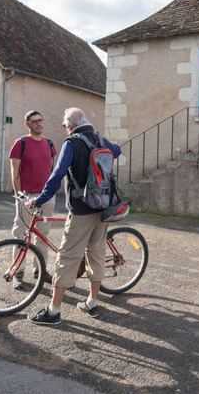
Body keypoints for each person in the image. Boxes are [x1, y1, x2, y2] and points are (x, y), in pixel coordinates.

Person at [25, 107, 121, 326]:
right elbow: (117, 151)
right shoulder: (100, 139)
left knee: (67, 257)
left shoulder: (72, 143)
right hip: (103, 207)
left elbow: (57, 174)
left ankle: (53, 311)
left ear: (69, 126)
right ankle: (91, 302)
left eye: (65, 126)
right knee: (96, 253)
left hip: (81, 209)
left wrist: (40, 199)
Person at [9, 110, 57, 288]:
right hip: (27, 196)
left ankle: (40, 271)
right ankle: (17, 272)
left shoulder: (49, 144)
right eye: (34, 121)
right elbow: (15, 172)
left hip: (46, 197)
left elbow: (51, 171)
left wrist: (50, 192)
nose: (38, 124)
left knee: (43, 236)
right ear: (27, 125)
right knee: (21, 235)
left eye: (40, 120)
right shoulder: (20, 143)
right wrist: (19, 196)